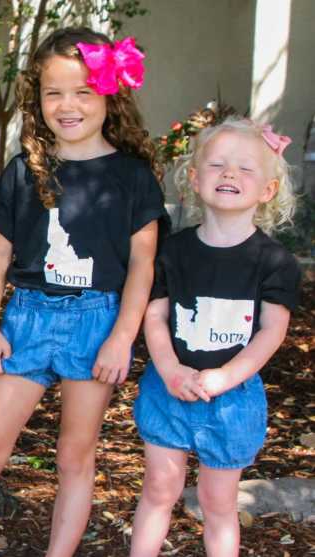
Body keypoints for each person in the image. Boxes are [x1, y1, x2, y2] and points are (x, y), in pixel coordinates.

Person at [0, 27, 168, 556]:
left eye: (83, 91)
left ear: (110, 95)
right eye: (54, 92)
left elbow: (143, 265)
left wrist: (121, 339)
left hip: (97, 324)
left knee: (74, 456)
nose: (68, 105)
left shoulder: (133, 177)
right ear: (37, 98)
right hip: (26, 321)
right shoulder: (25, 170)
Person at [130, 118, 299, 557]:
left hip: (232, 398)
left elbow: (271, 330)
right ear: (193, 177)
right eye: (218, 164)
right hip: (168, 389)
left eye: (245, 169)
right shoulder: (173, 250)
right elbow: (155, 315)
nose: (229, 174)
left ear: (268, 190)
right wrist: (169, 369)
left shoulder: (274, 261)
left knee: (217, 501)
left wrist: (225, 376)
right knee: (159, 488)